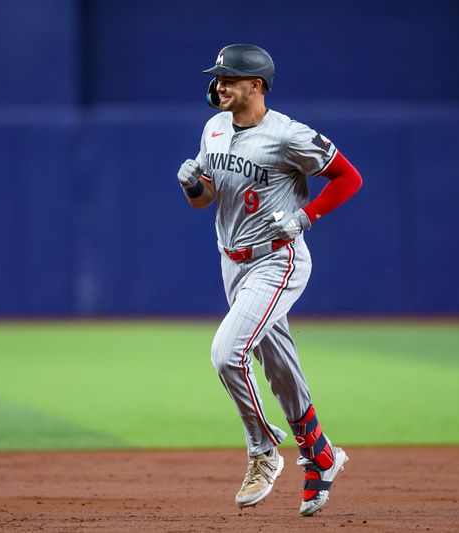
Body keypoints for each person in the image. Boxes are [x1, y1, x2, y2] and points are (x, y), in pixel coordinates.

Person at [176, 44, 363, 517]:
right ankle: (321, 456)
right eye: (218, 77)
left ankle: (262, 450)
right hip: (232, 263)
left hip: (277, 260)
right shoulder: (214, 127)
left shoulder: (287, 135)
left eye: (229, 78)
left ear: (256, 86)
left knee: (226, 353)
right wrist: (193, 185)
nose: (219, 85)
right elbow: (207, 201)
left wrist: (305, 216)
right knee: (279, 366)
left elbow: (348, 177)